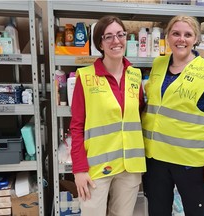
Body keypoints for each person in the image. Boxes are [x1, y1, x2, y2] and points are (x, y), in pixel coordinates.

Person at [141, 15, 204, 216]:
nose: (181, 39)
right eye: (176, 33)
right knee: (157, 212)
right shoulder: (158, 65)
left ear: (196, 39)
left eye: (188, 34)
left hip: (190, 163)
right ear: (168, 37)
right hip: (156, 160)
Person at [70, 15, 146, 216]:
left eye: (120, 35)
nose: (116, 41)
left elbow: (137, 115)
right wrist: (79, 169)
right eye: (108, 36)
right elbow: (76, 126)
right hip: (96, 168)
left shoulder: (135, 76)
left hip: (129, 166)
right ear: (100, 44)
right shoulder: (85, 77)